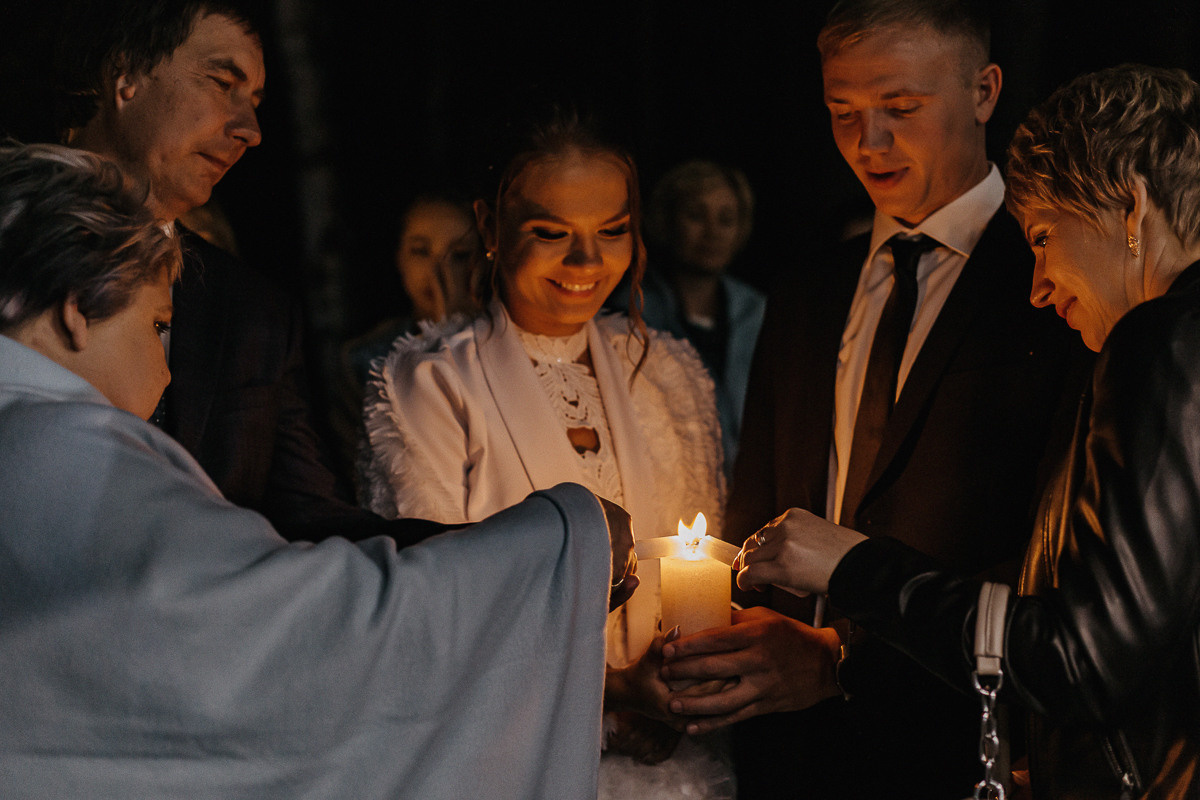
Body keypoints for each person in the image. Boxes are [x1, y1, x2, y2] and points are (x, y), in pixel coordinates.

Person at [0, 141, 637, 799]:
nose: (166, 374)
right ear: (77, 307)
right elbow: (306, 630)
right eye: (158, 327)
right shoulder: (69, 453)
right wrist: (560, 540)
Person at [734, 63, 1200, 800]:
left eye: (1045, 237)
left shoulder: (1163, 339)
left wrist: (855, 568)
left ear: (1131, 207)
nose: (1039, 285)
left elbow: (1084, 657)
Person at [659, 2, 1089, 797]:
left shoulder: (1053, 284)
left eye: (901, 108)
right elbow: (763, 513)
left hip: (970, 744)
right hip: (791, 752)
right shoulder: (808, 290)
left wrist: (845, 658)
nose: (869, 142)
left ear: (985, 91)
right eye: (842, 112)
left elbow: (1056, 550)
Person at [359, 116, 733, 798]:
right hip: (510, 763)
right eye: (552, 234)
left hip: (674, 772)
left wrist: (692, 679)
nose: (587, 263)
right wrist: (611, 693)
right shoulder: (433, 382)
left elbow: (701, 572)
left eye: (612, 231)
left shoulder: (669, 374)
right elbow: (432, 612)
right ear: (492, 228)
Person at [48, 0, 376, 540]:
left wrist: (502, 552)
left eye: (255, 102)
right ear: (126, 77)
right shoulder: (12, 243)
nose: (251, 130)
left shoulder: (254, 312)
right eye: (224, 84)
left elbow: (318, 524)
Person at [607, 160, 765, 472]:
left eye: (726, 219)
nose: (712, 232)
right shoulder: (630, 311)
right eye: (695, 216)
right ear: (667, 220)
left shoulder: (757, 312)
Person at [344, 195, 481, 390]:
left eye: (459, 254)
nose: (437, 271)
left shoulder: (509, 345)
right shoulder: (366, 358)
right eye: (421, 251)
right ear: (400, 258)